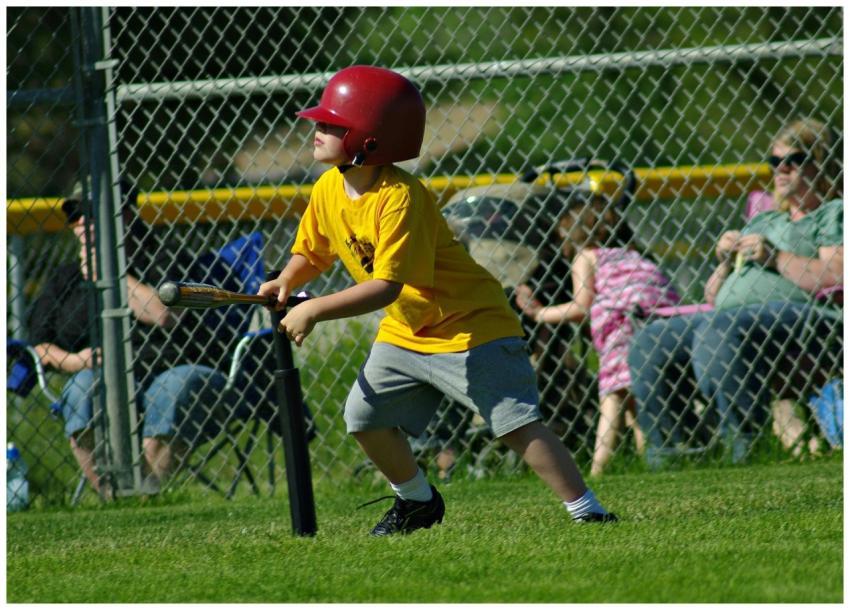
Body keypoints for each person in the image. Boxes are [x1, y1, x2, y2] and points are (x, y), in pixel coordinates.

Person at [259, 65, 616, 535]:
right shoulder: (329, 187)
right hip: (409, 329)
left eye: (332, 124)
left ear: (371, 137)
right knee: (364, 418)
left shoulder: (401, 197)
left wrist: (314, 308)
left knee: (513, 424)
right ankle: (417, 502)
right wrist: (287, 279)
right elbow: (313, 249)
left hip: (471, 326)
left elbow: (386, 285)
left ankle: (586, 508)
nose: (316, 131)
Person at [627, 117, 843, 463]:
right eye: (775, 161)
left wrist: (776, 257)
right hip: (732, 319)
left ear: (824, 163)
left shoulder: (833, 213)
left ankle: (743, 447)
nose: (782, 168)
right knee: (651, 340)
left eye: (795, 160)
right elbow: (713, 295)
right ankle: (673, 454)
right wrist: (726, 262)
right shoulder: (763, 220)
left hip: (810, 321)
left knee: (720, 329)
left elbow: (835, 273)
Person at [27, 180, 247, 496]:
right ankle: (114, 497)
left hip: (176, 366)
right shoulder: (66, 277)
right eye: (75, 214)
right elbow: (39, 343)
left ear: (125, 216)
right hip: (100, 374)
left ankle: (145, 495)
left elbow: (164, 314)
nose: (81, 222)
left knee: (171, 388)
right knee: (80, 388)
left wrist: (111, 274)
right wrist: (74, 361)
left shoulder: (163, 255)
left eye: (91, 212)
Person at [514, 191, 681, 476]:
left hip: (622, 325)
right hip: (660, 324)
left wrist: (539, 314)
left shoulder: (587, 256)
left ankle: (597, 470)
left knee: (613, 395)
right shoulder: (633, 254)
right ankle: (653, 461)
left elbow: (582, 305)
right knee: (636, 396)